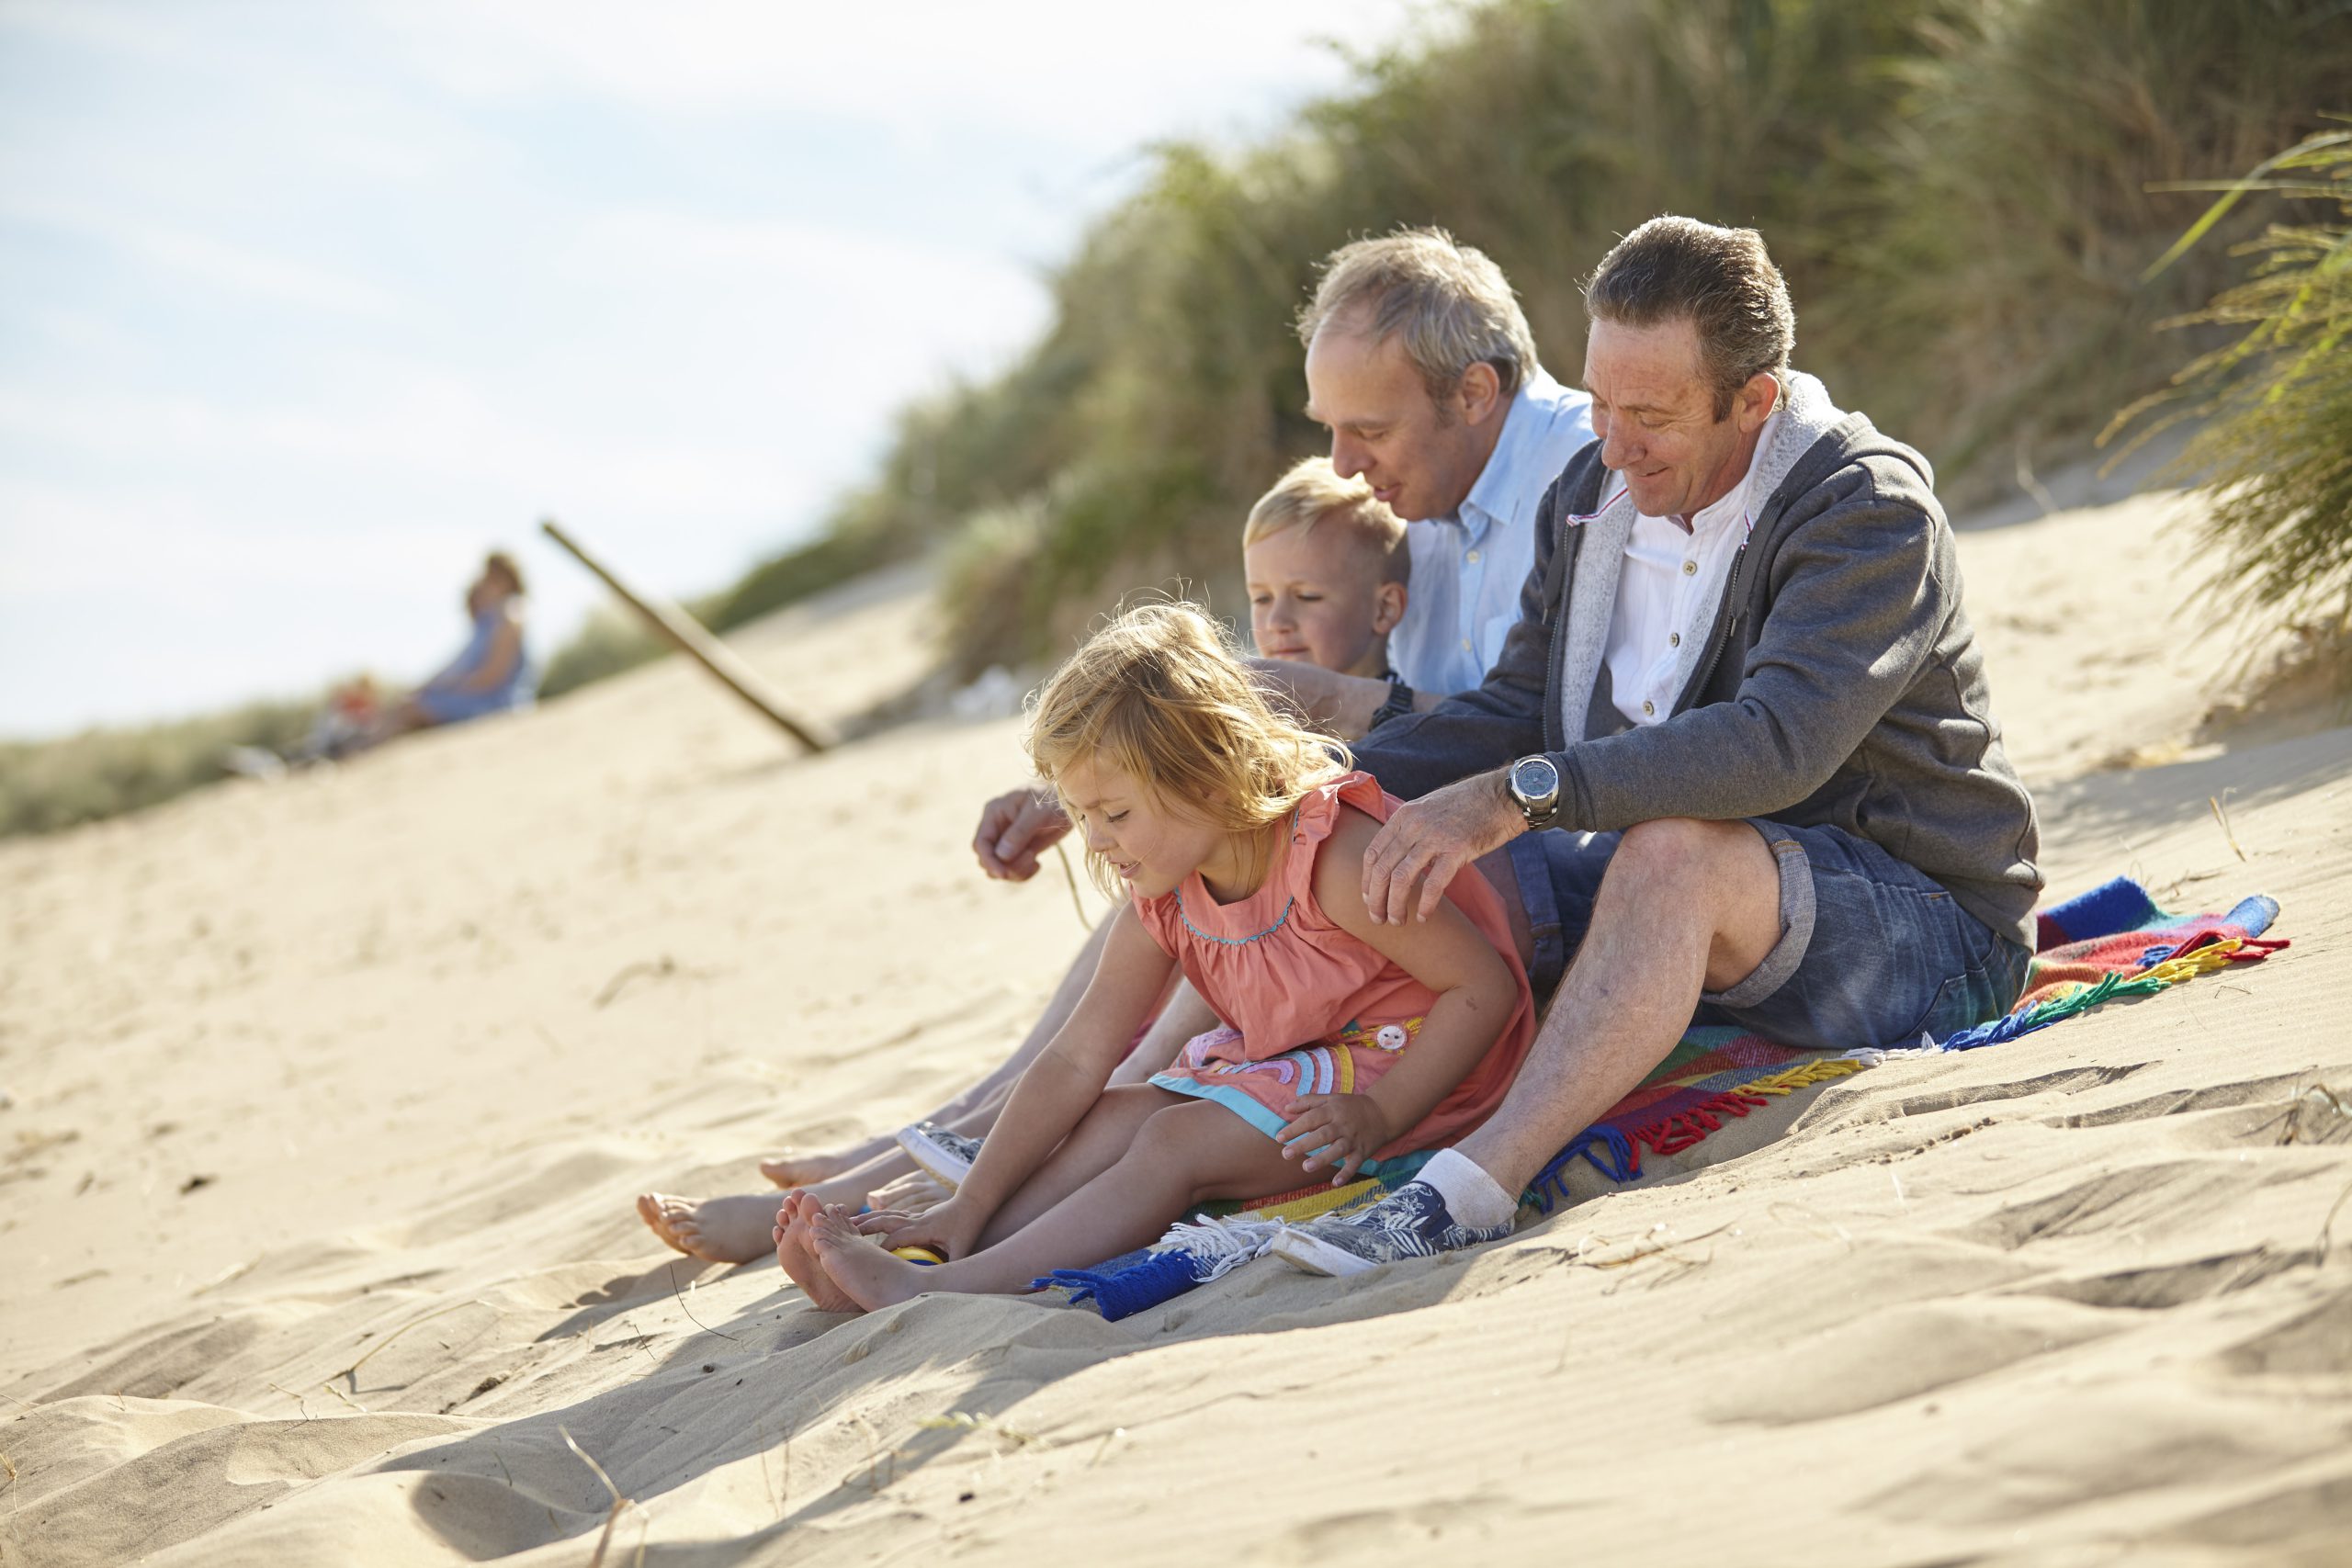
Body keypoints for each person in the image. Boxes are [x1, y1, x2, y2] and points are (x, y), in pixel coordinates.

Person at [632, 230, 1595, 1252]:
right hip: (1408, 835)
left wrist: (1297, 721)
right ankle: (947, 1148)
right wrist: (1101, 790)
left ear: (1476, 393)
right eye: (1330, 429)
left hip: (1509, 855)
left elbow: (1535, 728)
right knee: (1170, 879)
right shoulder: (1435, 484)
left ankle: (958, 1159)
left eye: (1366, 429)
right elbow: (1397, 697)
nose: (1341, 465)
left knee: (1204, 877)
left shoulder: (1572, 477)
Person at [1266, 215, 2043, 1275]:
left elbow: (1775, 747)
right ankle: (1178, 1131)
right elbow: (1517, 706)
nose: (1613, 442)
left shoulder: (1863, 508)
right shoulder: (1591, 494)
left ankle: (1468, 1191)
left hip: (1924, 929)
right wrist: (1285, 782)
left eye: (1650, 414)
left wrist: (1519, 794)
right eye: (1596, 402)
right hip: (1726, 910)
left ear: (1753, 401)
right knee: (1352, 839)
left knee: (1668, 850)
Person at [634, 456, 1426, 1262]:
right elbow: (1080, 1043)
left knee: (1158, 1015)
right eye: (1261, 598)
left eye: (1309, 597)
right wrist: (1080, 802)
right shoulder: (1199, 785)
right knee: (1120, 967)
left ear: (1386, 607)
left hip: (1312, 1028)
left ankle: (922, 1166)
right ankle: (932, 1145)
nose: (1280, 621)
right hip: (1243, 1000)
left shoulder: (1368, 771)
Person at [767, 603, 1533, 1313]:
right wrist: (967, 1199)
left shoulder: (1329, 858)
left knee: (1173, 1142)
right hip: (1300, 1062)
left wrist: (1380, 1112)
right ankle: (949, 1244)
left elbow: (1481, 987)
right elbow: (1075, 1060)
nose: (1096, 839)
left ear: (1204, 775)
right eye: (1081, 815)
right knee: (1111, 1115)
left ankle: (954, 1288)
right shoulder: (1167, 891)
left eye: (1115, 813)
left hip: (1408, 1071)